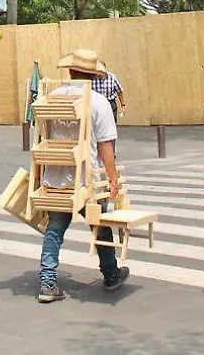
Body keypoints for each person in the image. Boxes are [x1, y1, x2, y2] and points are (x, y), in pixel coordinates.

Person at [38, 49, 129, 302]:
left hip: (56, 178)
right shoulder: (98, 102)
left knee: (55, 229)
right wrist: (113, 180)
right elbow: (105, 147)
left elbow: (42, 137)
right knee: (100, 226)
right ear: (93, 75)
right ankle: (111, 275)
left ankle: (47, 283)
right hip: (86, 180)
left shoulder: (50, 97)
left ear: (70, 71)